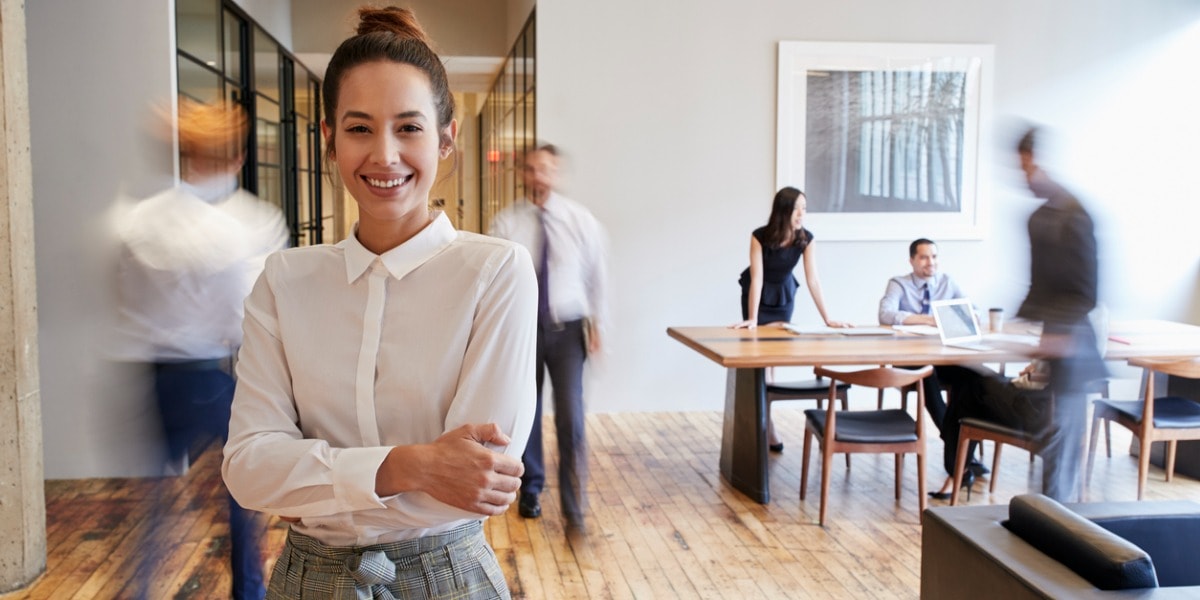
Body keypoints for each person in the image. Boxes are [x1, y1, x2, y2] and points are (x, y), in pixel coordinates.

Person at [221, 7, 537, 599]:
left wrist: (315, 482)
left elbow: (480, 479)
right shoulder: (285, 280)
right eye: (360, 128)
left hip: (447, 578)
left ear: (446, 140)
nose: (384, 155)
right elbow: (248, 469)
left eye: (409, 128)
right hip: (308, 580)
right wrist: (413, 465)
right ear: (329, 141)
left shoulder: (496, 272)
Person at [114, 97, 287, 600]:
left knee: (151, 506)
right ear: (237, 158)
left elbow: (124, 298)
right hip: (209, 374)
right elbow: (247, 315)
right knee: (241, 491)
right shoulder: (245, 226)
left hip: (151, 376)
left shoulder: (138, 220)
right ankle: (249, 592)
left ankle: (139, 589)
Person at [489, 143, 609, 537]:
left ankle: (575, 508)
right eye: (532, 169)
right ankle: (532, 489)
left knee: (572, 417)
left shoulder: (580, 220)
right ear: (523, 174)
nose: (539, 176)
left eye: (546, 169)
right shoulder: (506, 224)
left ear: (555, 174)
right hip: (523, 331)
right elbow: (494, 280)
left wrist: (599, 327)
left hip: (569, 329)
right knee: (528, 412)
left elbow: (597, 277)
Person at [1012, 127, 1104, 502]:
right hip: (1051, 343)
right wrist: (1020, 325)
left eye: (1028, 168)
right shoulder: (1036, 219)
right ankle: (1047, 519)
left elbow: (1087, 291)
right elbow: (1038, 286)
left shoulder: (1076, 215)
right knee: (1049, 438)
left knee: (1062, 440)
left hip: (1075, 346)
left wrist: (1059, 335)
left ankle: (1058, 524)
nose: (1025, 178)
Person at [731, 186, 849, 452]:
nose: (802, 214)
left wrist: (828, 318)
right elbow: (758, 278)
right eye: (798, 209)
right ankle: (766, 425)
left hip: (783, 297)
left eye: (804, 209)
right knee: (760, 362)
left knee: (772, 361)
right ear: (784, 211)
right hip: (757, 297)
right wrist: (752, 319)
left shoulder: (805, 239)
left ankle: (766, 423)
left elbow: (813, 280)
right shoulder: (759, 236)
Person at [877, 238, 988, 478]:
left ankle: (962, 446)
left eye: (934, 257)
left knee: (974, 375)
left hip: (944, 356)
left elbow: (973, 310)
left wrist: (966, 316)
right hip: (910, 358)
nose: (931, 262)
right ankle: (955, 441)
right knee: (925, 373)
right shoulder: (899, 283)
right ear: (912, 260)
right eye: (925, 257)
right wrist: (928, 318)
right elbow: (885, 314)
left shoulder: (947, 282)